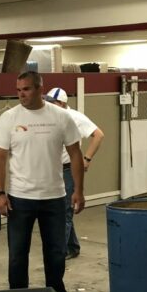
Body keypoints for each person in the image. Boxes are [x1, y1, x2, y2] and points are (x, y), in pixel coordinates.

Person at [0, 71, 86, 292]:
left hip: (54, 196)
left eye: (27, 89)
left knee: (55, 253)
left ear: (40, 89)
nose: (21, 94)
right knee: (17, 255)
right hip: (20, 199)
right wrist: (0, 193)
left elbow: (75, 153)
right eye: (18, 89)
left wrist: (78, 190)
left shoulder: (61, 117)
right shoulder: (9, 118)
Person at [44, 87, 105, 260]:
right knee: (63, 209)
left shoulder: (75, 117)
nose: (47, 105)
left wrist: (87, 159)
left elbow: (98, 135)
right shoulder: (52, 117)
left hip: (68, 168)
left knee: (64, 212)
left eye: (51, 102)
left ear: (61, 103)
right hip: (55, 169)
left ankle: (59, 252)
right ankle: (72, 246)